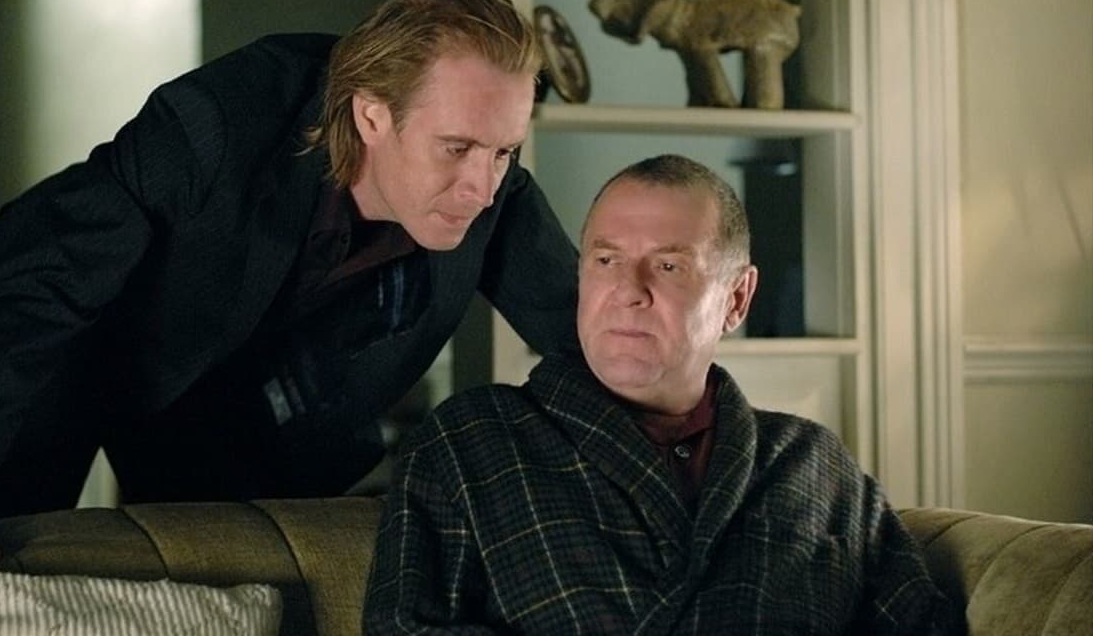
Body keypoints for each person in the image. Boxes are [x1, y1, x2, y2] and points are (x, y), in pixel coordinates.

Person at [0, 0, 579, 568]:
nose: (481, 188)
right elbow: (38, 294)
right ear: (371, 115)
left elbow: (593, 335)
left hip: (250, 415)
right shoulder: (216, 124)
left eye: (503, 152)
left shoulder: (492, 188)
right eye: (455, 148)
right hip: (74, 350)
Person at [364, 154, 958, 634]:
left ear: (737, 299)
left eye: (669, 266)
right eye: (605, 260)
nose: (628, 290)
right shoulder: (472, 441)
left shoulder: (814, 465)